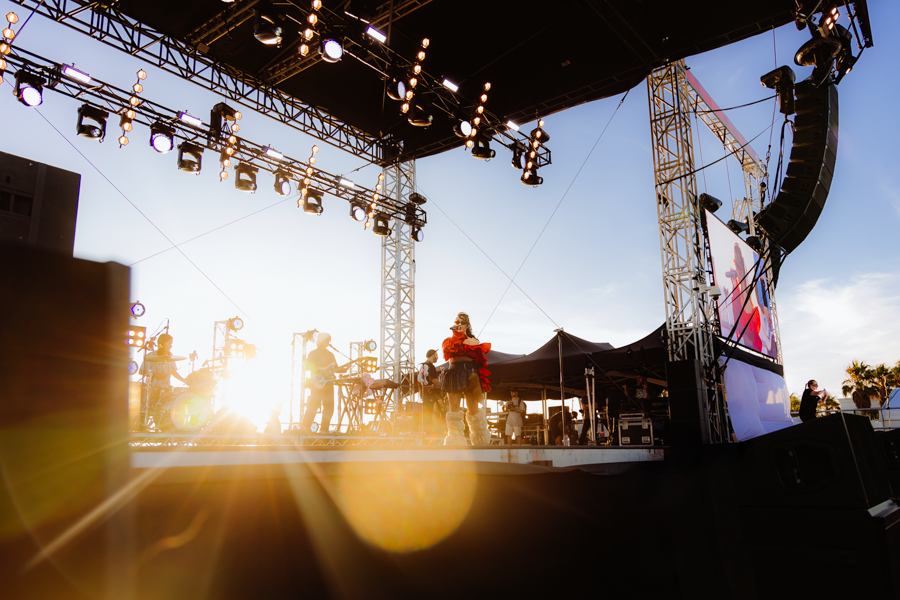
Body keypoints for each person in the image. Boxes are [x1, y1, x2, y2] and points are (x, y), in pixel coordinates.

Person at [441, 312, 492, 445]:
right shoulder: (449, 341)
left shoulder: (473, 341)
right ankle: (454, 440)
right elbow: (449, 349)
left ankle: (480, 439)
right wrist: (458, 334)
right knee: (454, 409)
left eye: (461, 322)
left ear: (466, 325)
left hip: (470, 373)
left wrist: (465, 337)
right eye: (456, 321)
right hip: (453, 372)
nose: (458, 324)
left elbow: (473, 347)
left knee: (473, 409)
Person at [299, 332, 349, 436]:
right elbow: (307, 366)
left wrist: (344, 369)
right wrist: (320, 371)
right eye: (326, 340)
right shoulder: (313, 353)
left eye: (329, 340)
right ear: (321, 340)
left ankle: (324, 429)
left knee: (329, 406)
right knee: (314, 404)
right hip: (318, 382)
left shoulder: (331, 354)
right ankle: (305, 427)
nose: (328, 342)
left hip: (329, 383)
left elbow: (335, 369)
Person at [420, 349, 443, 434]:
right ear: (432, 355)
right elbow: (434, 380)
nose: (437, 357)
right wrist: (442, 386)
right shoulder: (430, 366)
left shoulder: (423, 365)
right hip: (430, 393)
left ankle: (426, 432)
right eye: (436, 355)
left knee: (427, 412)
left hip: (424, 392)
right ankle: (430, 432)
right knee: (432, 412)